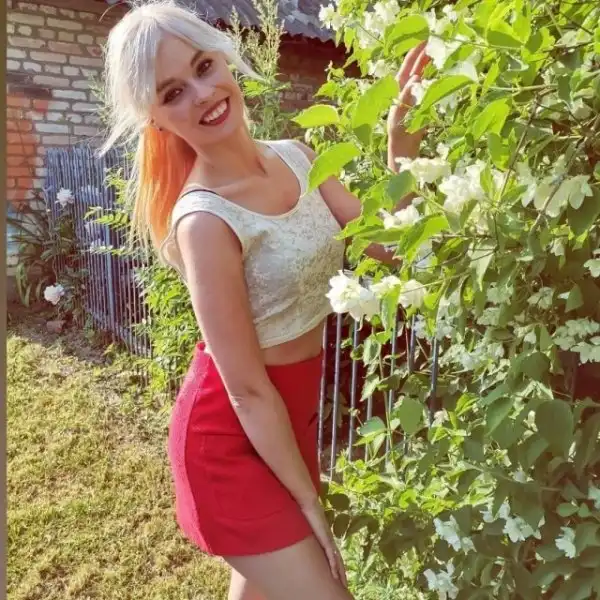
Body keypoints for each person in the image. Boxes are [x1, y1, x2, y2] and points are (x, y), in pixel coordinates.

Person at [101, 1, 428, 598]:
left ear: (225, 59)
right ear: (156, 119)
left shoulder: (300, 158)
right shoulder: (204, 220)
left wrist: (399, 146)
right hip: (230, 439)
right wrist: (309, 503)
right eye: (173, 93)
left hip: (288, 420)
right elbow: (246, 390)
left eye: (204, 66)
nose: (203, 94)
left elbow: (389, 249)